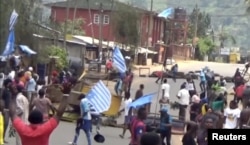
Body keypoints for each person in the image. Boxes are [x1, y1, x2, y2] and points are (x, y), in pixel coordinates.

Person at [9, 77, 75, 145]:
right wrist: (66, 95)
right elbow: (59, 114)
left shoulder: (23, 129)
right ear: (41, 120)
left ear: (29, 119)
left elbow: (13, 114)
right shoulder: (45, 129)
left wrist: (13, 96)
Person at [1, 79, 12, 143]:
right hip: (5, 110)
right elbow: (1, 99)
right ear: (7, 84)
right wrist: (3, 109)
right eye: (10, 83)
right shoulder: (3, 90)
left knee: (5, 125)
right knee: (4, 124)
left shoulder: (9, 90)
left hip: (8, 109)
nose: (11, 84)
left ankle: (2, 138)